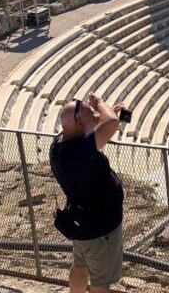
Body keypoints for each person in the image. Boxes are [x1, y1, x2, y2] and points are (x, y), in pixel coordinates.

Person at [50, 93, 125, 293]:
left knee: (80, 266)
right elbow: (111, 122)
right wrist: (101, 104)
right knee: (100, 282)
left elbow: (95, 129)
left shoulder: (59, 144)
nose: (95, 115)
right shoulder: (79, 152)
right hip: (101, 229)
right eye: (90, 114)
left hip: (81, 224)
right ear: (79, 121)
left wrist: (98, 119)